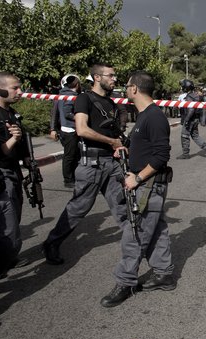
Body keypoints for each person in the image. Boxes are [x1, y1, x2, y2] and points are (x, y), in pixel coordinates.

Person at [101, 71, 175, 307]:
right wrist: (126, 151)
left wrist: (138, 178)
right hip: (147, 184)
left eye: (127, 86)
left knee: (135, 234)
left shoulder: (154, 117)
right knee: (157, 228)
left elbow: (162, 155)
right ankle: (163, 274)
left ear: (134, 89)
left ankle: (125, 281)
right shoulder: (145, 116)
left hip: (148, 185)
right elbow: (147, 148)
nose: (124, 89)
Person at [41, 63, 128, 265]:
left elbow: (112, 133)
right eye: (111, 75)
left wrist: (119, 144)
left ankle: (136, 242)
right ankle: (52, 243)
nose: (115, 79)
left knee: (122, 207)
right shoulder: (84, 98)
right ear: (97, 77)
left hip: (111, 162)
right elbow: (81, 130)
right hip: (92, 164)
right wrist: (111, 142)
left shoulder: (111, 103)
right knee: (78, 208)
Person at [0, 84, 24, 276]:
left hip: (14, 169)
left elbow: (21, 142)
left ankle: (8, 256)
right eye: (15, 88)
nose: (20, 92)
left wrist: (29, 160)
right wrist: (13, 139)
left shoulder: (11, 113)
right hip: (3, 172)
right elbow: (1, 151)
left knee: (15, 216)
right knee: (8, 223)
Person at [56, 74, 82, 188]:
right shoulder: (70, 96)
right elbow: (67, 112)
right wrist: (79, 117)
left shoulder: (62, 94)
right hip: (70, 129)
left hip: (67, 129)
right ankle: (68, 179)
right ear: (76, 84)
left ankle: (72, 177)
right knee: (70, 156)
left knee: (73, 155)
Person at [177, 80, 206, 160]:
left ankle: (185, 154)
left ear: (186, 87)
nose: (182, 88)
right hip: (195, 119)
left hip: (190, 119)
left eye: (183, 86)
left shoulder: (189, 97)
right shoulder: (196, 96)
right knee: (195, 136)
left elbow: (191, 109)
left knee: (184, 136)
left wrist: (186, 120)